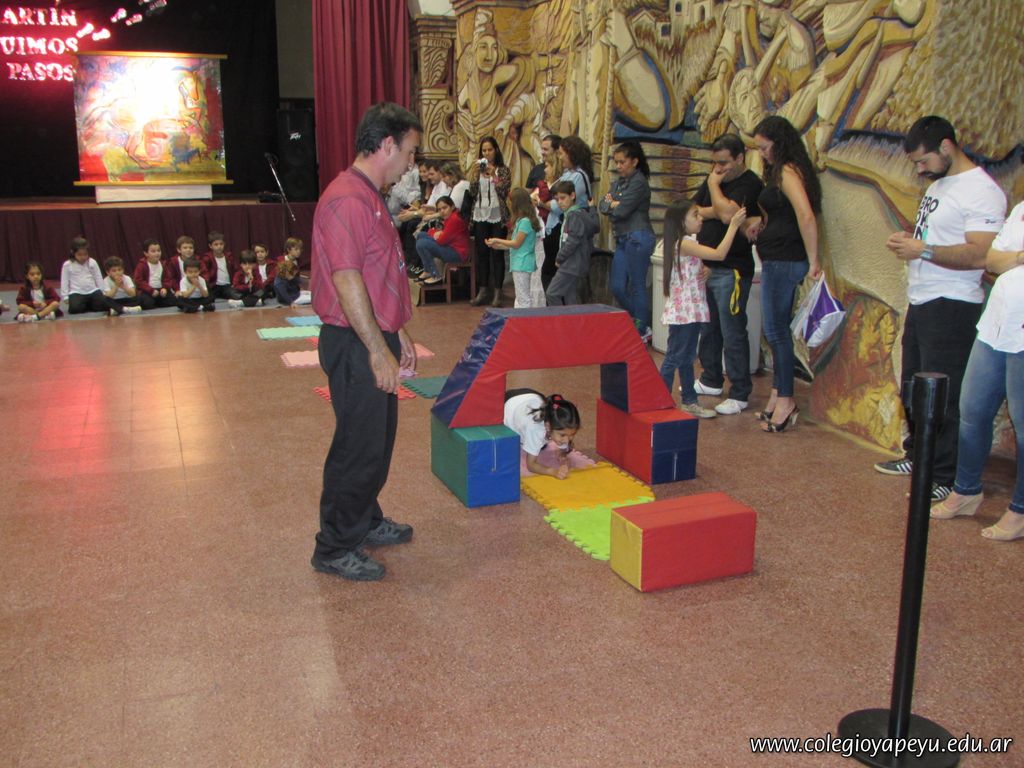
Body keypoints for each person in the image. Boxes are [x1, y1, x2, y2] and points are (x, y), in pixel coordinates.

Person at [309, 101, 420, 582]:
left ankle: (365, 519)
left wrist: (398, 329)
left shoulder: (369, 194)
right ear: (388, 145)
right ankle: (335, 546)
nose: (411, 164)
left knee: (377, 441)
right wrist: (377, 349)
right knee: (358, 446)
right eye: (410, 152)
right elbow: (347, 278)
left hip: (374, 334)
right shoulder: (348, 199)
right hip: (355, 342)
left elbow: (379, 274)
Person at [875, 116, 1006, 501]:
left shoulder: (982, 190)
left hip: (953, 304)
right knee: (914, 389)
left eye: (923, 160)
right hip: (923, 299)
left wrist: (924, 250)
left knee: (944, 397)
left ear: (946, 147)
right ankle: (918, 457)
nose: (920, 169)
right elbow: (935, 239)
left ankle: (944, 475)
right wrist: (913, 243)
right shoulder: (940, 183)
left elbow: (982, 254)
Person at [930, 205, 1024, 540]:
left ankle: (1020, 509)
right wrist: (1020, 257)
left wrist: (1013, 258)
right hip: (997, 324)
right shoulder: (1021, 209)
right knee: (972, 409)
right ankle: (966, 490)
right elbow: (993, 260)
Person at [751, 115, 822, 433]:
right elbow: (786, 215)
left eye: (764, 147)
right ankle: (777, 394)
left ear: (778, 144)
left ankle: (786, 400)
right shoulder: (782, 171)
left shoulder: (789, 171)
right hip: (778, 258)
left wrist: (813, 259)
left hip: (785, 259)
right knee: (775, 331)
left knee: (777, 332)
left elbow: (805, 215)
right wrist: (761, 225)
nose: (762, 154)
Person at [692, 133, 765, 416]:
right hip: (708, 266)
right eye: (715, 163)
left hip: (732, 268)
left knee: (732, 330)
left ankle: (740, 391)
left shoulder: (750, 183)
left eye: (723, 163)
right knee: (709, 327)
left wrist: (713, 187)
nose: (718, 169)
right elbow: (696, 210)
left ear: (740, 158)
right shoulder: (717, 177)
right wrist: (719, 208)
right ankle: (711, 378)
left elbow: (727, 217)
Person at [660, 199, 748, 418]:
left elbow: (694, 267)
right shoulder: (684, 243)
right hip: (684, 312)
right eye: (695, 215)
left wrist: (706, 270)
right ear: (682, 222)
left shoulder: (688, 242)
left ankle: (689, 401)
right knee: (675, 356)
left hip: (690, 311)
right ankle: (660, 400)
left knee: (686, 357)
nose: (700, 219)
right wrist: (734, 226)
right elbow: (719, 254)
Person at [600, 140, 655, 342]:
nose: (618, 166)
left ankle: (641, 327)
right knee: (617, 286)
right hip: (623, 239)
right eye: (616, 162)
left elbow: (621, 211)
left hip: (638, 237)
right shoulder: (618, 183)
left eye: (622, 162)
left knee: (637, 285)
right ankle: (642, 320)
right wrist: (613, 204)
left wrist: (614, 204)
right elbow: (602, 205)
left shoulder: (639, 182)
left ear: (634, 161)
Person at [469, 135, 512, 307]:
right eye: (484, 150)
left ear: (496, 150)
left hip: (497, 215)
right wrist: (475, 175)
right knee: (482, 254)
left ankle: (498, 293)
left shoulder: (503, 170)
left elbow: (504, 191)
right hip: (480, 214)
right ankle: (483, 290)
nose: (487, 153)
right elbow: (472, 192)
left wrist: (493, 175)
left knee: (497, 254)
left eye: (489, 150)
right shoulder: (478, 170)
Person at [503, 390, 582, 479]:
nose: (567, 440)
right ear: (548, 427)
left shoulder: (556, 421)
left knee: (542, 444)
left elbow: (562, 448)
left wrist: (563, 457)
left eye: (572, 435)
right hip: (507, 402)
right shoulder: (535, 429)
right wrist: (553, 472)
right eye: (562, 435)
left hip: (530, 395)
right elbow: (531, 465)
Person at [546, 179, 599, 306]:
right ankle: (572, 318)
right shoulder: (580, 213)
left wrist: (560, 257)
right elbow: (595, 226)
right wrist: (592, 209)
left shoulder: (573, 215)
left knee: (552, 294)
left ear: (573, 195)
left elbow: (572, 241)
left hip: (570, 264)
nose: (560, 202)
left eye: (563, 198)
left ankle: (561, 318)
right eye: (557, 199)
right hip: (575, 264)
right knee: (571, 298)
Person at [486, 188, 540, 307]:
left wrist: (497, 239)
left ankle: (525, 318)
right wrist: (498, 246)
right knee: (520, 297)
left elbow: (516, 243)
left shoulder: (525, 222)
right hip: (520, 262)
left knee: (523, 298)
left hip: (522, 263)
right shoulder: (523, 221)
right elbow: (515, 245)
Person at [414, 195, 471, 285]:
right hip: (450, 247)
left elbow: (441, 241)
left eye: (445, 208)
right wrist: (436, 233)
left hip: (458, 254)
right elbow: (443, 236)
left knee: (422, 244)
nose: (442, 211)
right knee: (421, 235)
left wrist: (433, 232)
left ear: (452, 206)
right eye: (439, 209)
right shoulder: (452, 216)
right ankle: (428, 270)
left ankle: (435, 275)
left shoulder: (454, 219)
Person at [60, 236, 121, 315]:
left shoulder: (92, 262)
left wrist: (102, 291)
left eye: (85, 254)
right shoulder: (67, 265)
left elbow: (98, 277)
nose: (83, 257)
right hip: (76, 292)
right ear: (73, 252)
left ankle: (88, 305)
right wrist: (65, 296)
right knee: (74, 309)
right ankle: (88, 305)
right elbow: (64, 281)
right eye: (79, 255)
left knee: (103, 304)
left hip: (92, 291)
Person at [133, 239, 179, 310]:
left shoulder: (163, 264)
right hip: (148, 291)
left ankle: (158, 302)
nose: (157, 253)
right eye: (153, 251)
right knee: (147, 304)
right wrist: (151, 290)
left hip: (161, 290)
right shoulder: (142, 265)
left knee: (173, 301)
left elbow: (168, 278)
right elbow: (139, 281)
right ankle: (155, 302)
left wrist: (165, 288)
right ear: (146, 253)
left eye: (158, 251)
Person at [201, 231, 239, 301]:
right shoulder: (207, 258)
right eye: (216, 244)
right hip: (214, 286)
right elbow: (205, 273)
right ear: (210, 246)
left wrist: (235, 283)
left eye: (221, 244)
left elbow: (236, 270)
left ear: (224, 244)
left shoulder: (229, 256)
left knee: (236, 296)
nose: (219, 246)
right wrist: (207, 285)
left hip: (227, 285)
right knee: (207, 299)